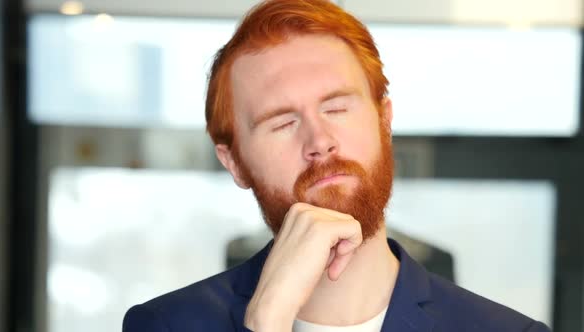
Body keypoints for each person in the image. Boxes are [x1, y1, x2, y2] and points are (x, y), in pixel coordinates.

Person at [123, 0, 551, 331]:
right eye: (283, 122)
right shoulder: (165, 325)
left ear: (384, 121)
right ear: (235, 163)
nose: (320, 141)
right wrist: (267, 321)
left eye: (338, 108)